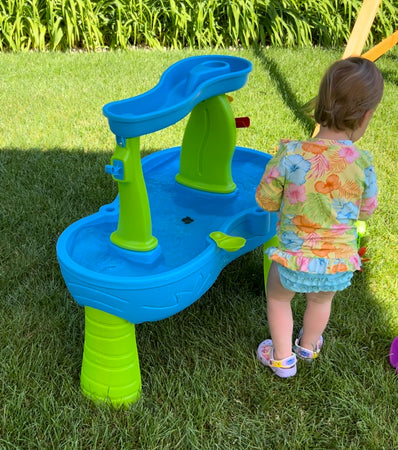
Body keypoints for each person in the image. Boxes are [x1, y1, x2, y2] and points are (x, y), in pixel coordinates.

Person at [255, 57, 384, 378]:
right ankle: (308, 346)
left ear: (320, 103)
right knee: (319, 302)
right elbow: (367, 209)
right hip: (336, 262)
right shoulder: (362, 162)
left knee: (278, 298)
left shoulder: (291, 154)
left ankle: (283, 358)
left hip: (293, 258)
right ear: (366, 116)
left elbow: (266, 200)